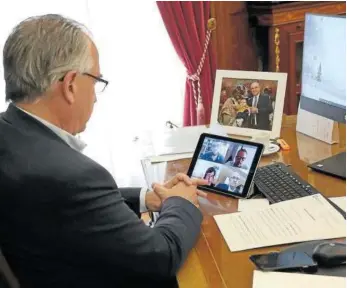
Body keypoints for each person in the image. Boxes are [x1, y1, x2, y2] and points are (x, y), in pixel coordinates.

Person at [0, 15, 208, 288]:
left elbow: (66, 203)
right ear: (71, 85)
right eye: (96, 81)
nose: (96, 96)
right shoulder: (71, 175)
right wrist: (180, 202)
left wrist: (149, 198)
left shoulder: (10, 133)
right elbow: (162, 255)